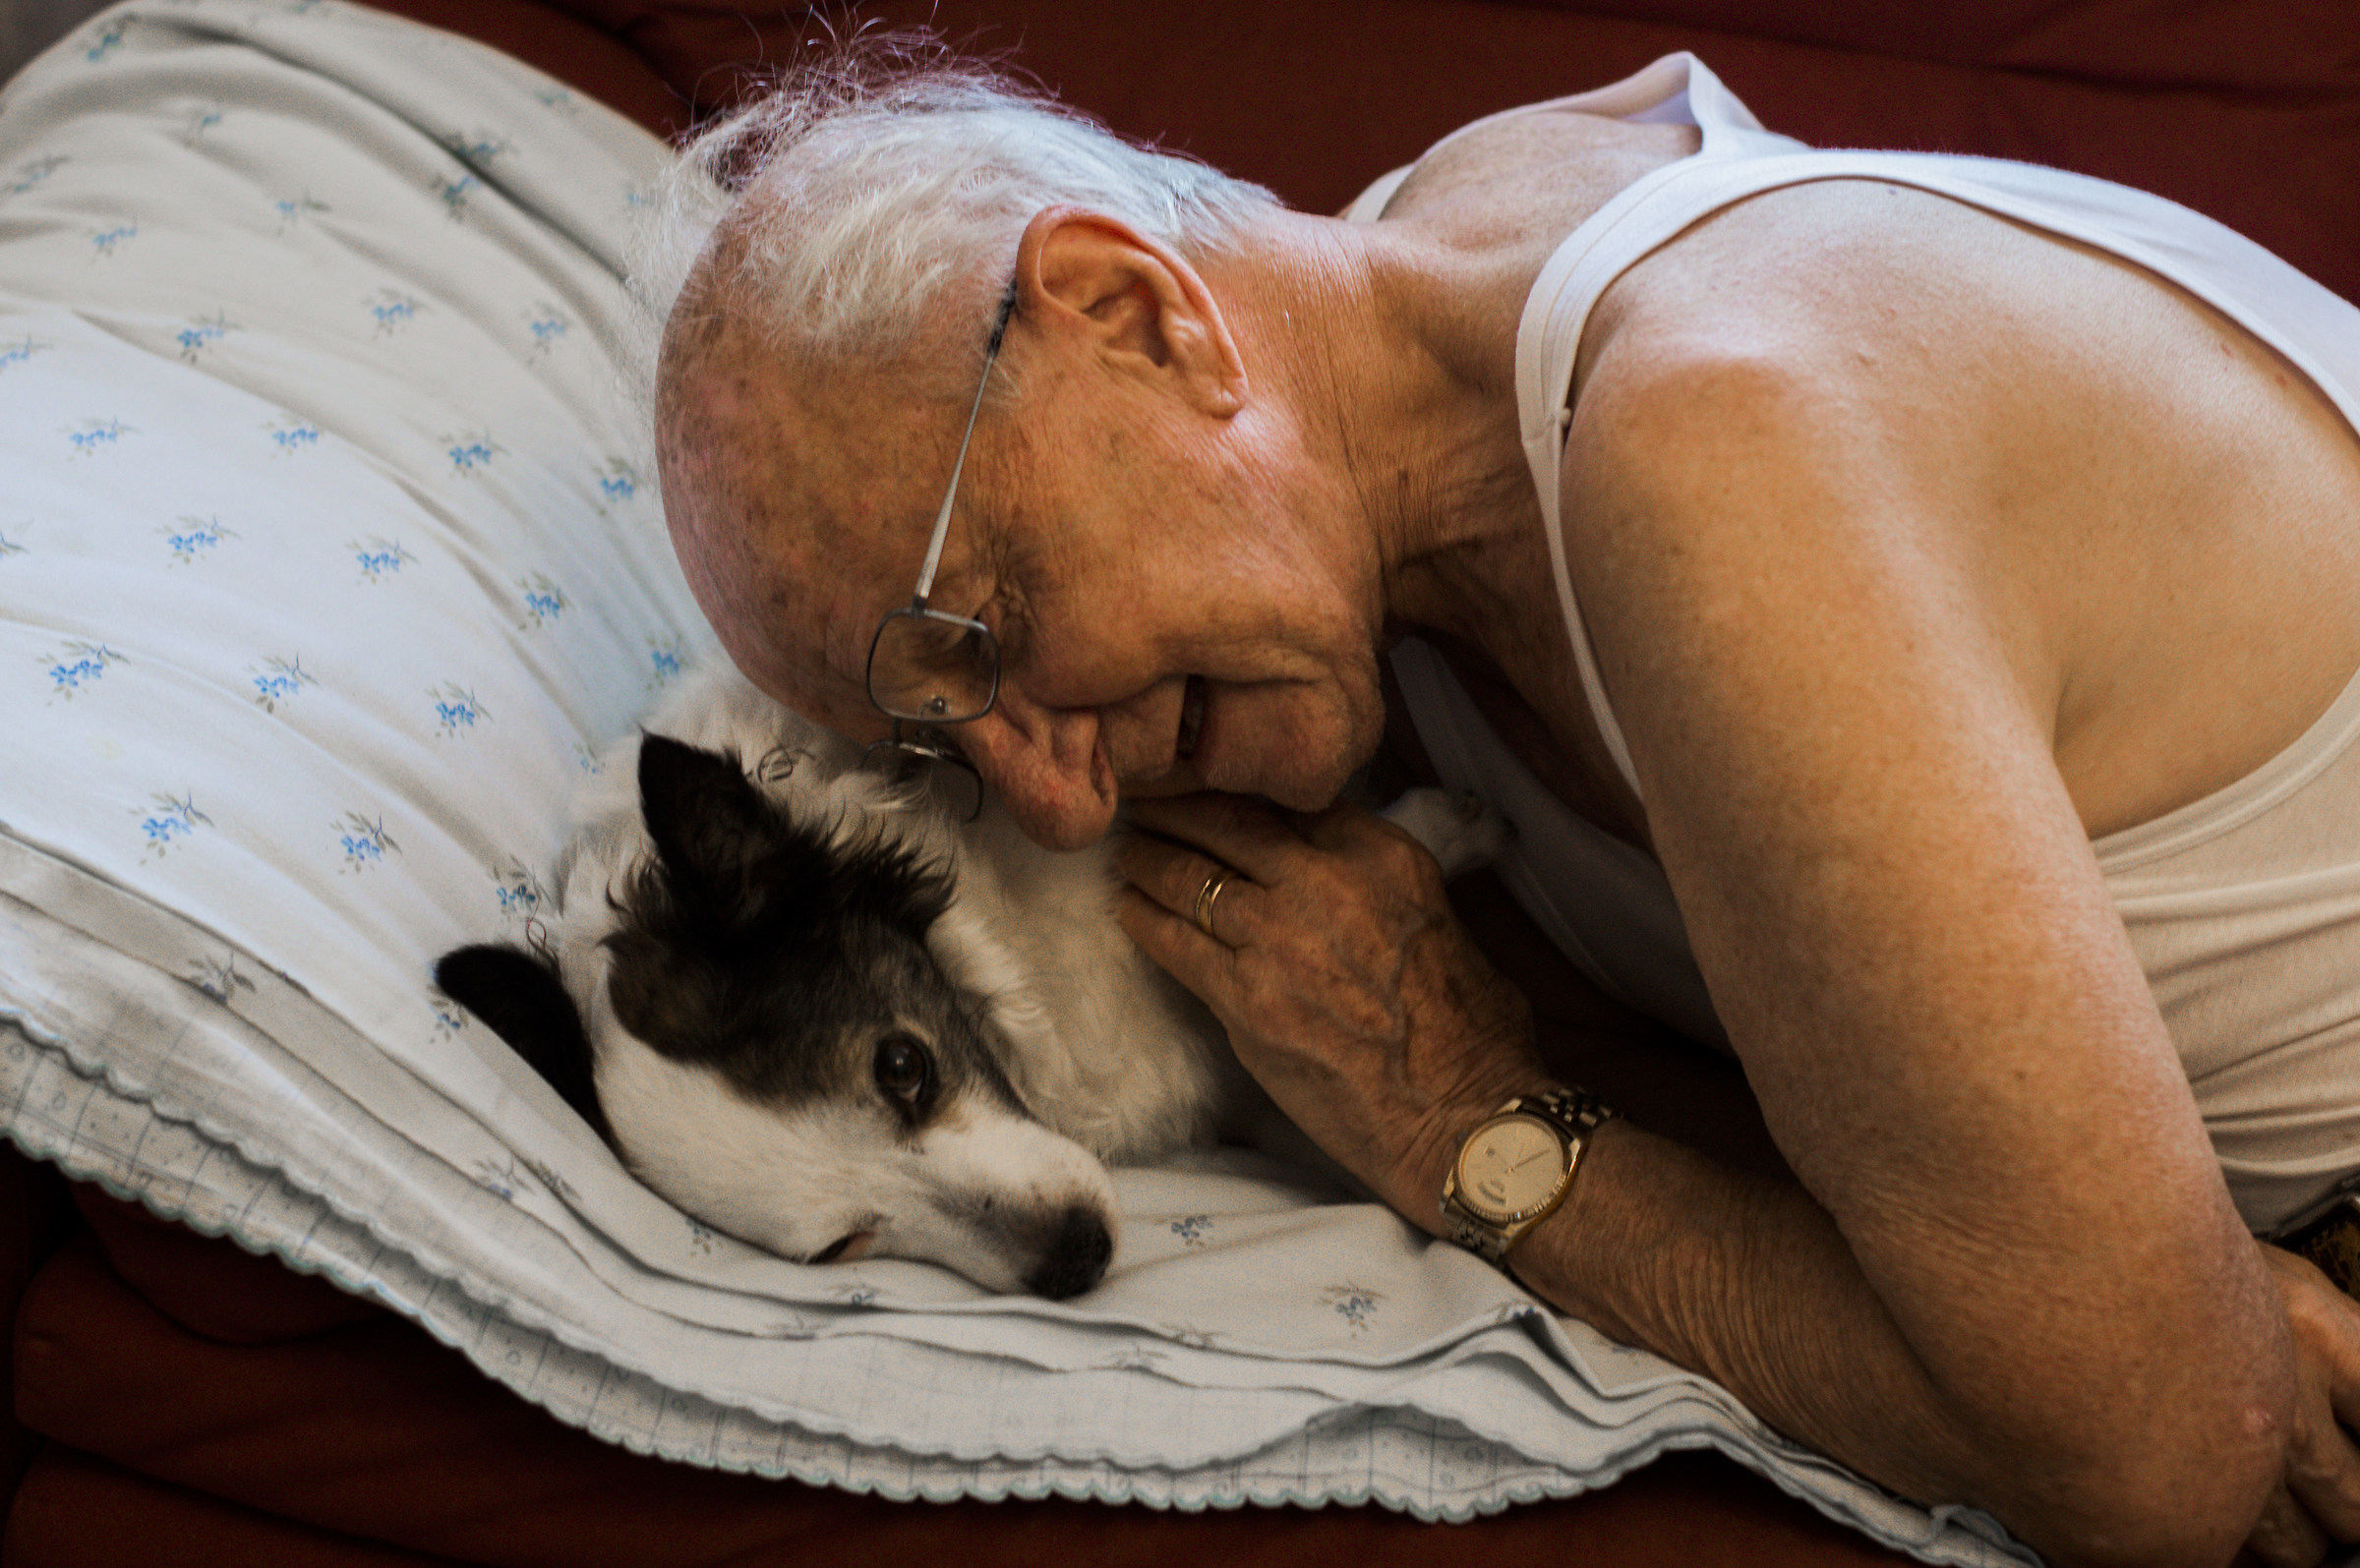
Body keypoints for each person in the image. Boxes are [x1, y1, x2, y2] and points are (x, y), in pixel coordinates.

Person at [643, 39, 2360, 1568]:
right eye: (948, 741)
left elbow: (2156, 1462)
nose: (1062, 807)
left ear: (1138, 313)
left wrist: (1461, 1119)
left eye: (981, 637)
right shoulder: (1396, 367)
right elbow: (1861, 1072)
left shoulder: (1712, 455)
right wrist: (2107, 1330)